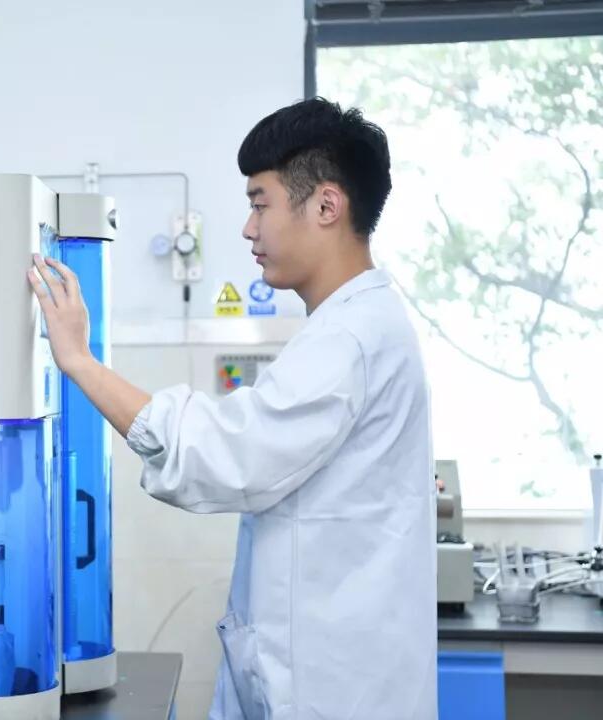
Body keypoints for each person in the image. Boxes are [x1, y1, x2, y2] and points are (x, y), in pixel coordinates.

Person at [28, 97, 436, 720]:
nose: (248, 228)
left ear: (327, 206)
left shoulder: (349, 338)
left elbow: (222, 456)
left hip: (333, 690)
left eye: (260, 203)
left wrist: (81, 362)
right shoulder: (356, 325)